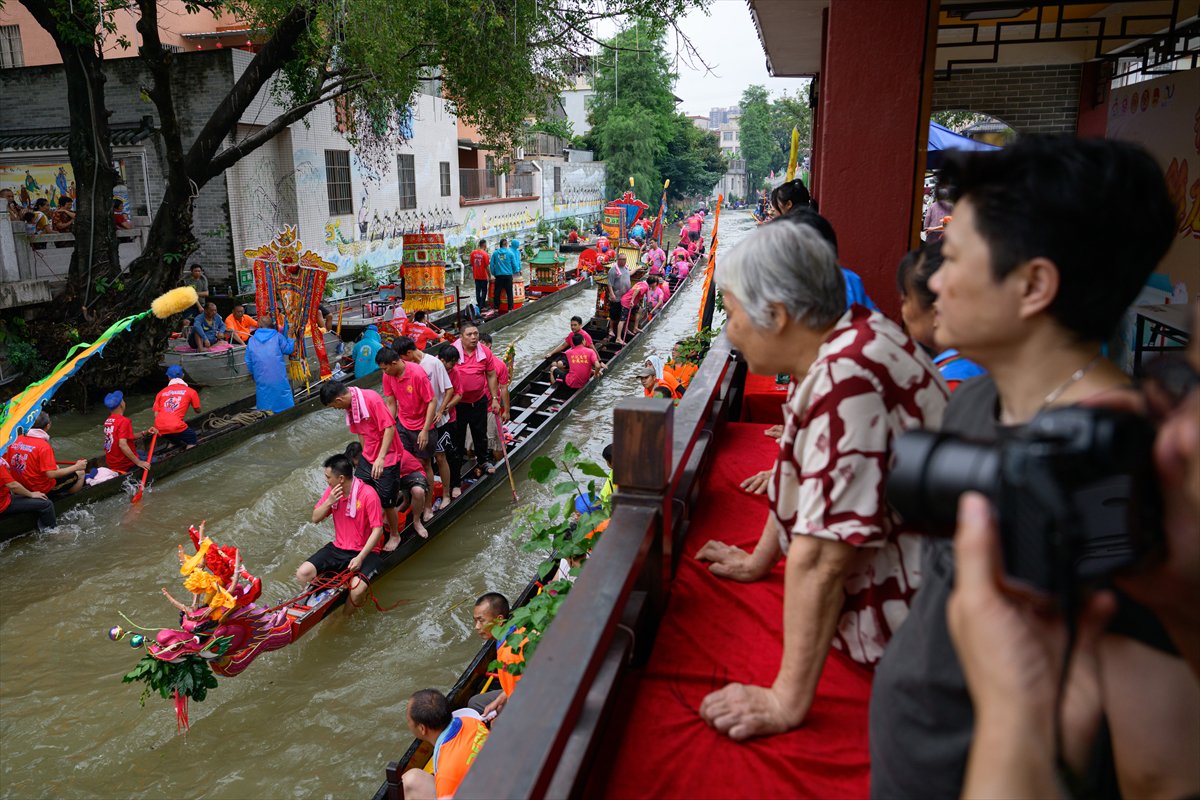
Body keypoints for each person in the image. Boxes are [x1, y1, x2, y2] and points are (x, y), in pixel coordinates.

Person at [870, 135, 1198, 800]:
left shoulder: (1118, 479)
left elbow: (1156, 771)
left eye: (952, 257)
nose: (932, 282)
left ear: (1033, 285)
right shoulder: (980, 401)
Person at [693, 221, 947, 742]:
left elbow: (823, 558)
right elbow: (804, 471)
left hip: (911, 635)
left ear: (778, 316)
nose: (728, 330)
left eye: (732, 311)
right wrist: (761, 557)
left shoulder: (848, 380)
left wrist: (785, 699)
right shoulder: (858, 334)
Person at [320, 380, 415, 547]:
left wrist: (381, 458)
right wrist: (366, 456)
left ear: (339, 400)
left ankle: (394, 535)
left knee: (387, 500)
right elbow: (360, 433)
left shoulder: (371, 399)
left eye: (334, 406)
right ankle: (367, 531)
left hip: (388, 456)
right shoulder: (352, 406)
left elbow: (389, 428)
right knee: (358, 491)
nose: (336, 409)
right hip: (369, 456)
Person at [895, 241, 985, 392]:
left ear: (936, 311)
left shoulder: (949, 382)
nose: (903, 311)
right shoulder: (982, 360)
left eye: (906, 300)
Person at [297, 454, 384, 610]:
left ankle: (345, 616)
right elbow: (315, 518)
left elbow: (378, 530)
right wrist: (329, 502)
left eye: (328, 477)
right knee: (303, 573)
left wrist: (360, 558)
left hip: (366, 551)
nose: (326, 480)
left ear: (341, 478)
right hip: (339, 547)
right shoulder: (332, 492)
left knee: (356, 591)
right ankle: (311, 604)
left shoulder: (369, 494)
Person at [377, 346, 436, 530]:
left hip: (422, 425)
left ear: (395, 363)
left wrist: (425, 430)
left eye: (386, 368)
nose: (384, 372)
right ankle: (406, 500)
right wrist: (388, 427)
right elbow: (391, 402)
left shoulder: (417, 374)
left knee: (425, 464)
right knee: (401, 465)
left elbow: (432, 401)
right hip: (403, 423)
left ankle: (427, 505)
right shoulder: (388, 375)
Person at [396, 337, 456, 513]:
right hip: (416, 423)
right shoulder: (405, 369)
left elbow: (449, 389)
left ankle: (446, 494)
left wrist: (441, 410)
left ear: (408, 353)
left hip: (436, 421)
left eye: (401, 357)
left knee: (440, 457)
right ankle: (419, 499)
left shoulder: (433, 363)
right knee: (421, 461)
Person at [402, 689, 490, 800]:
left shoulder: (446, 775)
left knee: (409, 781)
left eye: (408, 720)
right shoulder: (471, 721)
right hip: (496, 782)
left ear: (422, 728)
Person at [447, 325, 501, 485]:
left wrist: (495, 398)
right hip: (458, 404)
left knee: (480, 433)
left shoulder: (484, 351)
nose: (473, 337)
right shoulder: (452, 352)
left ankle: (483, 461)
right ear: (461, 337)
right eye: (469, 334)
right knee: (457, 438)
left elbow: (491, 375)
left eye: (476, 334)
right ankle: (454, 475)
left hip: (479, 400)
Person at [466, 592, 526, 719]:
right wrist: (498, 700)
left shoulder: (508, 654)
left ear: (499, 620)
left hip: (528, 700)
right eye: (475, 621)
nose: (476, 627)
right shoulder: (518, 629)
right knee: (474, 702)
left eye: (481, 621)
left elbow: (519, 696)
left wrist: (499, 720)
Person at [7, 413, 87, 498]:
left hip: (21, 486)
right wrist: (77, 466)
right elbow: (51, 474)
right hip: (41, 489)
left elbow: (9, 466)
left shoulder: (16, 439)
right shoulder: (43, 446)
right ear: (48, 426)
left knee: (56, 467)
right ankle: (70, 498)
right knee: (81, 472)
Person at [245, 316, 296, 413]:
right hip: (278, 376)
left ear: (259, 326)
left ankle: (265, 412)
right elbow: (289, 349)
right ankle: (287, 411)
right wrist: (290, 337)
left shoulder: (251, 340)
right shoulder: (277, 336)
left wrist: (255, 373)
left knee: (264, 394)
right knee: (282, 393)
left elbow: (248, 361)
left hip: (261, 376)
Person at [0, 453, 56, 531]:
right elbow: (13, 486)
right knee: (46, 504)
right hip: (2, 504)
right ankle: (52, 532)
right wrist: (31, 494)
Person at [479, 333, 510, 471]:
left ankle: (500, 466)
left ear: (488, 345)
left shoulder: (499, 365)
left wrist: (507, 411)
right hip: (474, 408)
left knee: (497, 444)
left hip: (492, 408)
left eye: (481, 344)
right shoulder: (472, 362)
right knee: (470, 445)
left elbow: (504, 388)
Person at [102, 391, 152, 474]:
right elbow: (122, 444)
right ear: (121, 404)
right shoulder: (124, 421)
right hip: (125, 464)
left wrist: (145, 432)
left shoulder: (108, 421)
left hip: (112, 463)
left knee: (141, 453)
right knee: (154, 459)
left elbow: (126, 436)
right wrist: (138, 462)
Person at [153, 366, 201, 448]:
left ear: (168, 377)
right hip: (175, 426)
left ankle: (173, 444)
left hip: (158, 428)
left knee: (173, 438)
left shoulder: (160, 393)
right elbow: (197, 410)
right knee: (192, 438)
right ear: (182, 376)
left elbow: (156, 414)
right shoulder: (191, 392)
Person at [617, 272, 651, 343]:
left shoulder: (642, 283)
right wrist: (632, 300)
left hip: (629, 302)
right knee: (622, 319)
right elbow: (637, 290)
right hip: (627, 302)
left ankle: (635, 328)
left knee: (639, 310)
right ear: (654, 284)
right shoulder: (644, 286)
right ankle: (618, 338)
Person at [605, 253, 631, 342]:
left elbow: (628, 275)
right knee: (614, 314)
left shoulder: (626, 268)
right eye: (622, 259)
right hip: (616, 296)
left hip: (625, 297)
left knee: (623, 314)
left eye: (625, 259)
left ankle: (624, 329)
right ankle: (611, 329)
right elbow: (610, 283)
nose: (623, 261)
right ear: (618, 260)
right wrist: (612, 294)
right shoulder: (613, 270)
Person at [490, 238, 516, 312]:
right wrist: (512, 272)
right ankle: (510, 309)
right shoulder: (510, 253)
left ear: (500, 245)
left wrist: (494, 273)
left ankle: (496, 308)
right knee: (509, 292)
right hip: (508, 276)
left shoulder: (495, 253)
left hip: (499, 276)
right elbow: (514, 265)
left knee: (497, 292)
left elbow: (491, 265)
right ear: (506, 244)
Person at [469, 239, 491, 309]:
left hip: (476, 276)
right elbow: (487, 267)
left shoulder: (473, 253)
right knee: (484, 291)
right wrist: (490, 276)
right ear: (484, 245)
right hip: (483, 276)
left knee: (477, 290)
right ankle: (482, 306)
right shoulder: (485, 254)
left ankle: (479, 304)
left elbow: (471, 264)